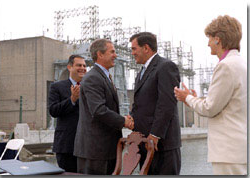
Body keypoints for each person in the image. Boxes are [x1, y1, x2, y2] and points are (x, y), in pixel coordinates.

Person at [174, 15, 247, 175]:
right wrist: (195, 99)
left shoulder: (225, 67)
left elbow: (210, 108)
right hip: (240, 148)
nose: (208, 43)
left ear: (218, 39)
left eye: (209, 38)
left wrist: (186, 97)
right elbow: (228, 104)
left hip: (228, 152)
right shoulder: (241, 64)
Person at [73, 38, 134, 175]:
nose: (115, 55)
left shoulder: (104, 76)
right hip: (95, 151)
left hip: (106, 149)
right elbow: (99, 110)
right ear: (100, 54)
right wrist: (123, 121)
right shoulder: (93, 78)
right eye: (112, 52)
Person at [129, 32, 181, 175]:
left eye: (134, 49)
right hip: (145, 143)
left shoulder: (165, 66)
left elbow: (167, 103)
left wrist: (155, 134)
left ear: (146, 48)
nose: (132, 53)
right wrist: (131, 118)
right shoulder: (141, 73)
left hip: (162, 145)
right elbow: (140, 103)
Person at [48, 54, 87, 172]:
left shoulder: (90, 87)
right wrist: (72, 100)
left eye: (84, 66)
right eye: (78, 65)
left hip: (87, 145)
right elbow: (53, 110)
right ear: (69, 67)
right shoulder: (57, 87)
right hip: (67, 145)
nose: (82, 68)